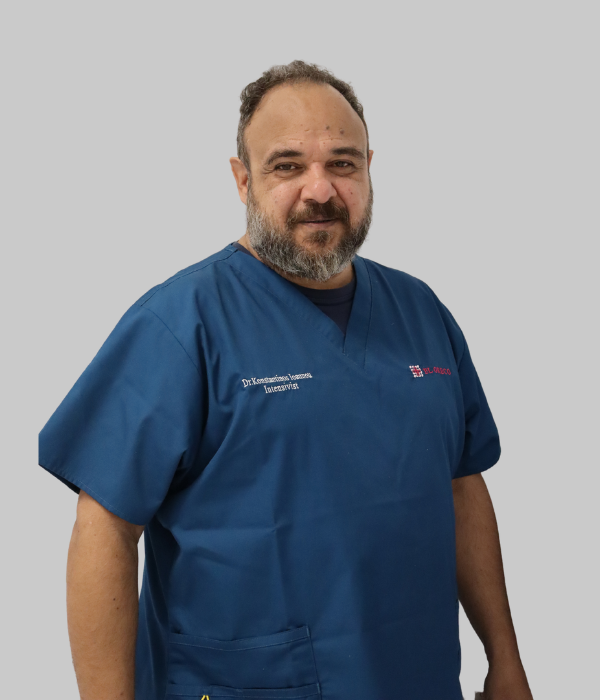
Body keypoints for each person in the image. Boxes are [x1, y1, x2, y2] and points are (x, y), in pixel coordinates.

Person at [38, 60, 534, 700]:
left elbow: (462, 487)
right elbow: (105, 526)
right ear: (242, 179)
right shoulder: (181, 324)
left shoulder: (421, 312)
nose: (320, 190)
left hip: (419, 677)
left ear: (369, 168)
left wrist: (505, 658)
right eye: (287, 166)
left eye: (343, 163)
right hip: (246, 682)